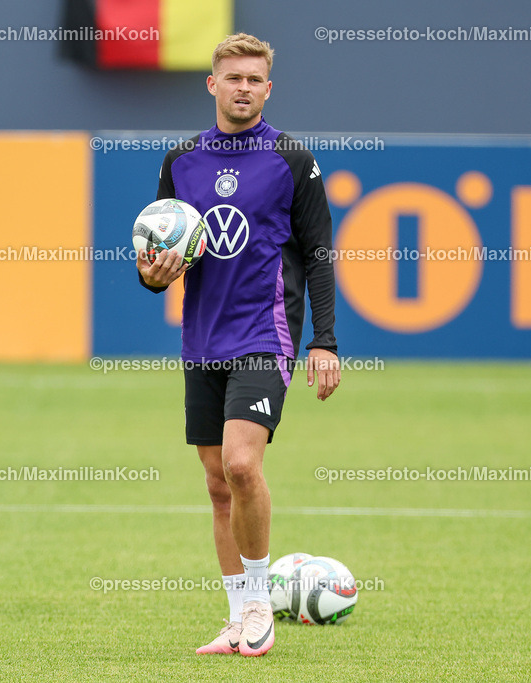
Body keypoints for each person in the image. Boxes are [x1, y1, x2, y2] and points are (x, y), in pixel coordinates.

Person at [137, 33, 341, 656]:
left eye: (255, 79)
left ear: (268, 89)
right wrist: (152, 276)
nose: (244, 88)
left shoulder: (291, 159)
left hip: (265, 333)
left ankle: (258, 606)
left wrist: (325, 341)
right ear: (213, 85)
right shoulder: (181, 161)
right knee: (216, 482)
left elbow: (319, 253)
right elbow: (160, 252)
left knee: (243, 465)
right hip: (202, 337)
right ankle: (236, 619)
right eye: (234, 78)